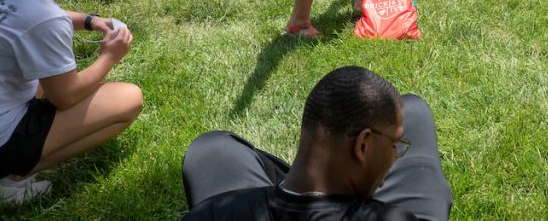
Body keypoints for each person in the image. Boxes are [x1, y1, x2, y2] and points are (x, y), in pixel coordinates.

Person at [0, 0, 143, 204]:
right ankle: (9, 179)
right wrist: (109, 57)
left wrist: (90, 20)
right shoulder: (42, 17)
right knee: (129, 99)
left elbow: (25, 13)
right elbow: (64, 96)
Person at [181, 65, 452, 221]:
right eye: (395, 144)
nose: (396, 155)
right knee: (413, 108)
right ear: (363, 145)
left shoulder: (210, 215)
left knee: (211, 148)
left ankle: (291, 184)